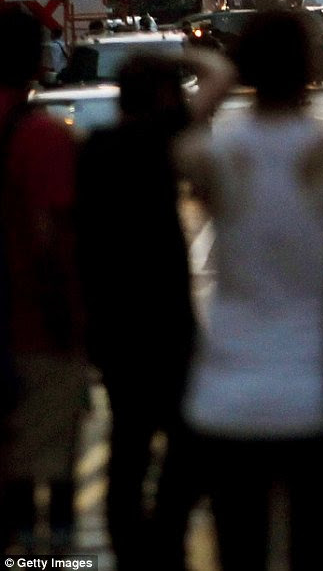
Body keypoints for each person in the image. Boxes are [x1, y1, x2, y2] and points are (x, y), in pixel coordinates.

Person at [178, 10, 323, 571]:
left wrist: (214, 86)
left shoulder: (217, 157)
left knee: (240, 552)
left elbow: (176, 143)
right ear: (310, 66)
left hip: (229, 393)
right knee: (319, 550)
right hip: (318, 391)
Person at [75, 47, 235, 571]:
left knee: (128, 443)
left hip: (113, 322)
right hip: (165, 322)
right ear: (164, 97)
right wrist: (174, 53)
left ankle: (129, 547)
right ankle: (167, 530)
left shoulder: (94, 148)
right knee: (191, 440)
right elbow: (220, 73)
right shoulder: (160, 137)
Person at [0, 8, 85, 557]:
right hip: (36, 327)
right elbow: (49, 233)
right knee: (51, 458)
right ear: (36, 61)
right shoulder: (42, 137)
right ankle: (51, 548)